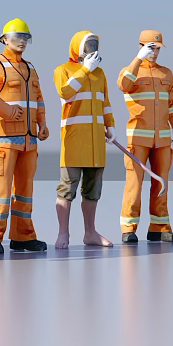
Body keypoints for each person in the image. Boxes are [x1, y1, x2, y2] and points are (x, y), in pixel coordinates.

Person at [0, 19, 50, 254]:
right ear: (4, 39)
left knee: (25, 191)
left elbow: (38, 99)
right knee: (0, 190)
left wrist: (43, 124)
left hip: (29, 141)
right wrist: (6, 109)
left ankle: (23, 237)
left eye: (26, 37)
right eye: (17, 37)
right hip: (6, 140)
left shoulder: (31, 68)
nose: (22, 41)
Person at [115, 31, 173, 243]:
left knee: (161, 182)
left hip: (162, 139)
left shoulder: (166, 74)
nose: (154, 52)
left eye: (157, 48)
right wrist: (138, 59)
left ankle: (159, 227)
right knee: (134, 184)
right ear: (141, 46)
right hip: (138, 139)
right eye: (150, 48)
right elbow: (123, 85)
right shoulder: (131, 71)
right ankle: (128, 228)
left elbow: (171, 104)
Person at [53, 31, 115, 248]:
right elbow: (65, 92)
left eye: (95, 44)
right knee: (67, 188)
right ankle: (63, 234)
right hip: (73, 141)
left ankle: (90, 233)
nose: (93, 47)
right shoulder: (63, 70)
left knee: (93, 189)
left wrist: (111, 126)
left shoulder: (101, 74)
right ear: (77, 47)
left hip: (96, 142)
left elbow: (105, 102)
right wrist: (84, 70)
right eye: (88, 44)